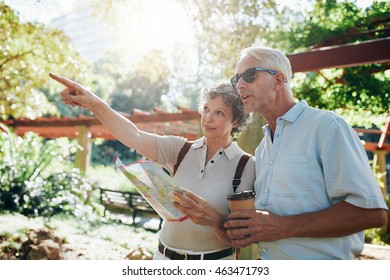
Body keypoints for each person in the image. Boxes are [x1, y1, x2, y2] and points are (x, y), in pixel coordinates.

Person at [49, 73, 255, 260]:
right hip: (163, 258)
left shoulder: (246, 166)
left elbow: (242, 239)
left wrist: (215, 220)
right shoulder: (180, 149)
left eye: (219, 113)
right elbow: (133, 135)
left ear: (235, 121)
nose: (208, 118)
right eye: (206, 109)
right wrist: (94, 102)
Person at [224, 46, 388, 260]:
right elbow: (273, 220)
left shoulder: (327, 126)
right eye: (235, 79)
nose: (240, 85)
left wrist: (282, 227)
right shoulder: (263, 148)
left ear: (278, 79)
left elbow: (372, 214)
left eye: (249, 75)